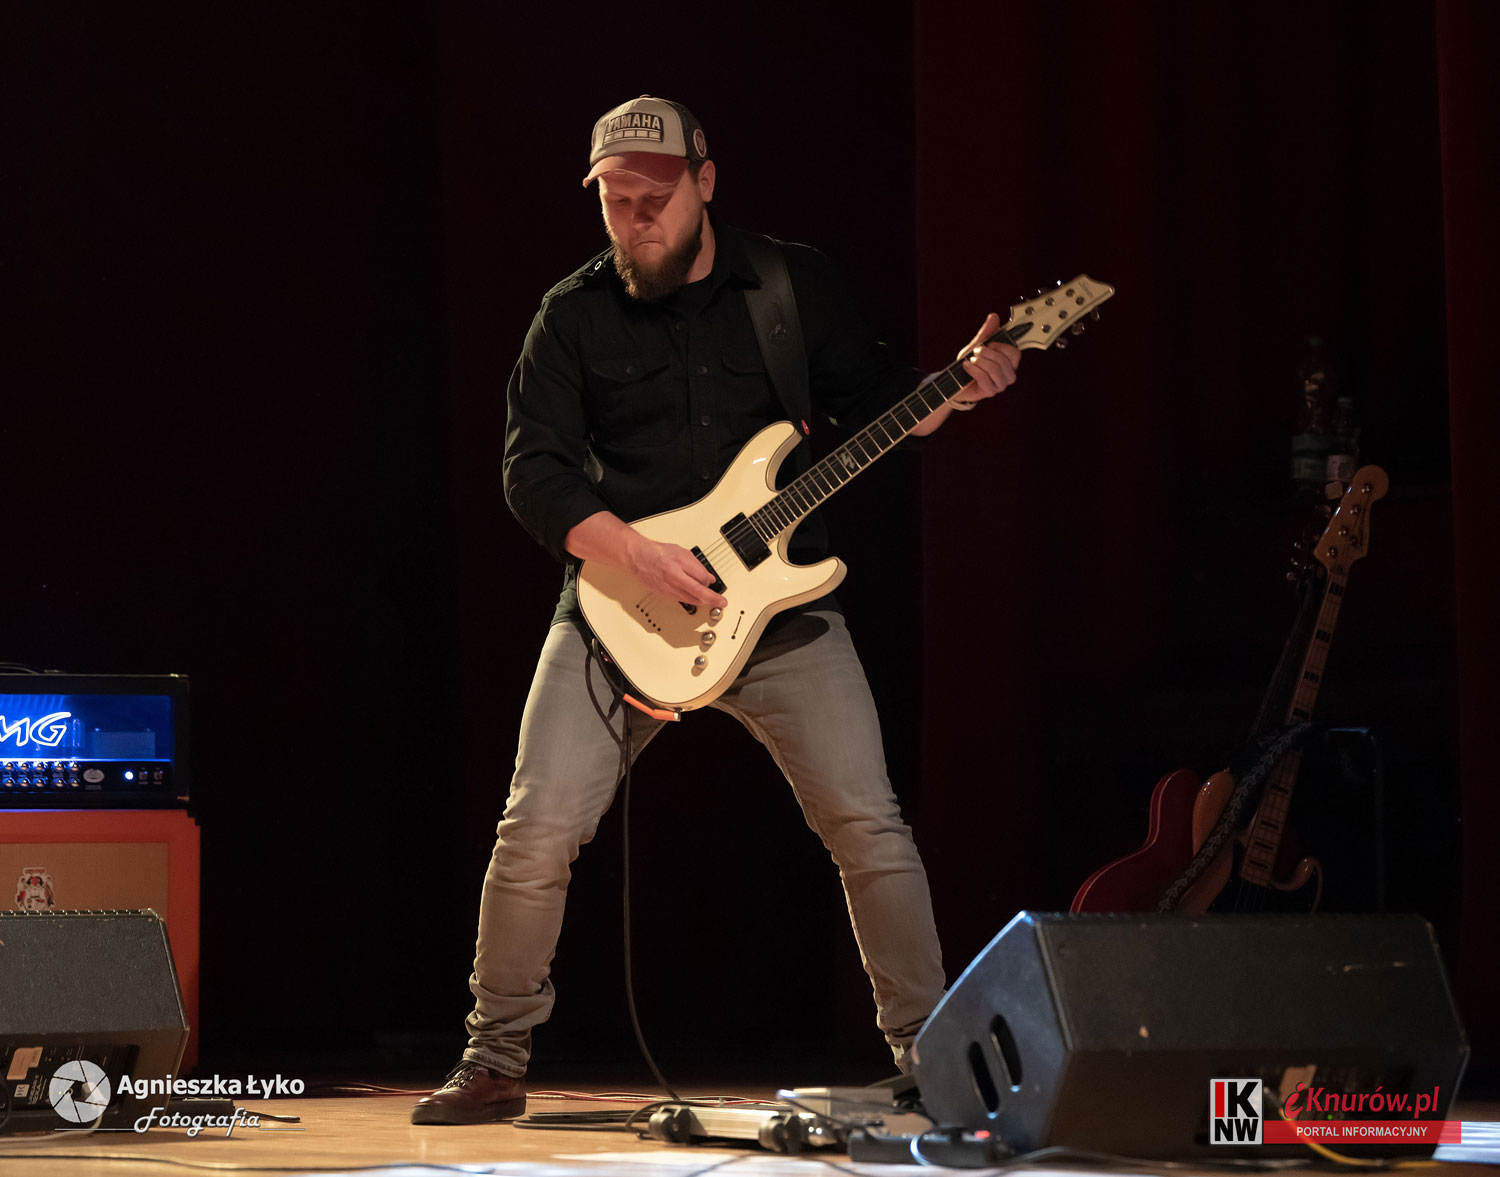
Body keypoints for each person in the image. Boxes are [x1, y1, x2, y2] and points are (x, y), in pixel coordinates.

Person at [412, 95, 1020, 1125]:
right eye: (615, 200)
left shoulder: (789, 285)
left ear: (705, 181)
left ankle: (930, 1053)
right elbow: (533, 473)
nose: (635, 218)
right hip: (621, 610)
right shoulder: (572, 313)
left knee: (868, 824)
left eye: (654, 197)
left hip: (781, 614)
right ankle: (495, 1055)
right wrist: (636, 554)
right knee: (536, 824)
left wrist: (951, 388)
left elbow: (877, 398)